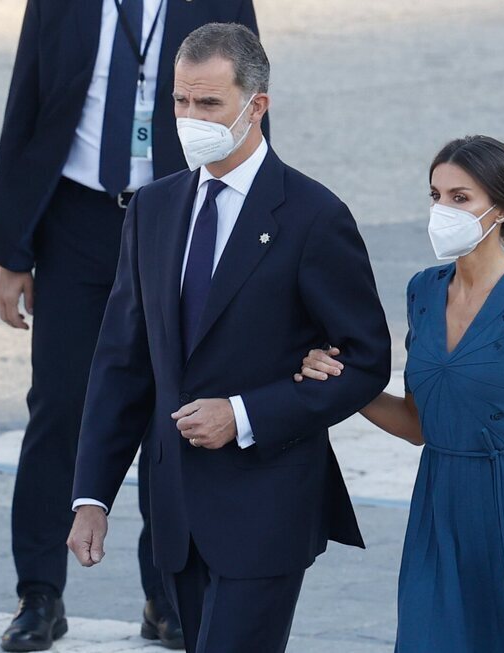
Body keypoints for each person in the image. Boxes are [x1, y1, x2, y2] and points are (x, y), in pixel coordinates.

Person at [66, 23, 392, 653]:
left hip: (267, 504)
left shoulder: (312, 216)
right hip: (177, 512)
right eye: (181, 102)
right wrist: (91, 496)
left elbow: (367, 359)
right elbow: (123, 363)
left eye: (209, 103)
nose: (190, 118)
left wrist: (245, 414)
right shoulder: (154, 209)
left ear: (257, 105)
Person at [0, 1, 263, 650]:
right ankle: (39, 592)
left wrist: (255, 239)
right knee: (59, 404)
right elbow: (25, 98)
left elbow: (250, 102)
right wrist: (10, 246)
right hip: (77, 219)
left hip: (180, 212)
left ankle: (164, 594)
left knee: (170, 407)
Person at [295, 136, 504, 651]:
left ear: (503, 207)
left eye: (460, 198)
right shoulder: (423, 290)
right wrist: (343, 383)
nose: (442, 210)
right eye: (435, 195)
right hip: (437, 501)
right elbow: (419, 425)